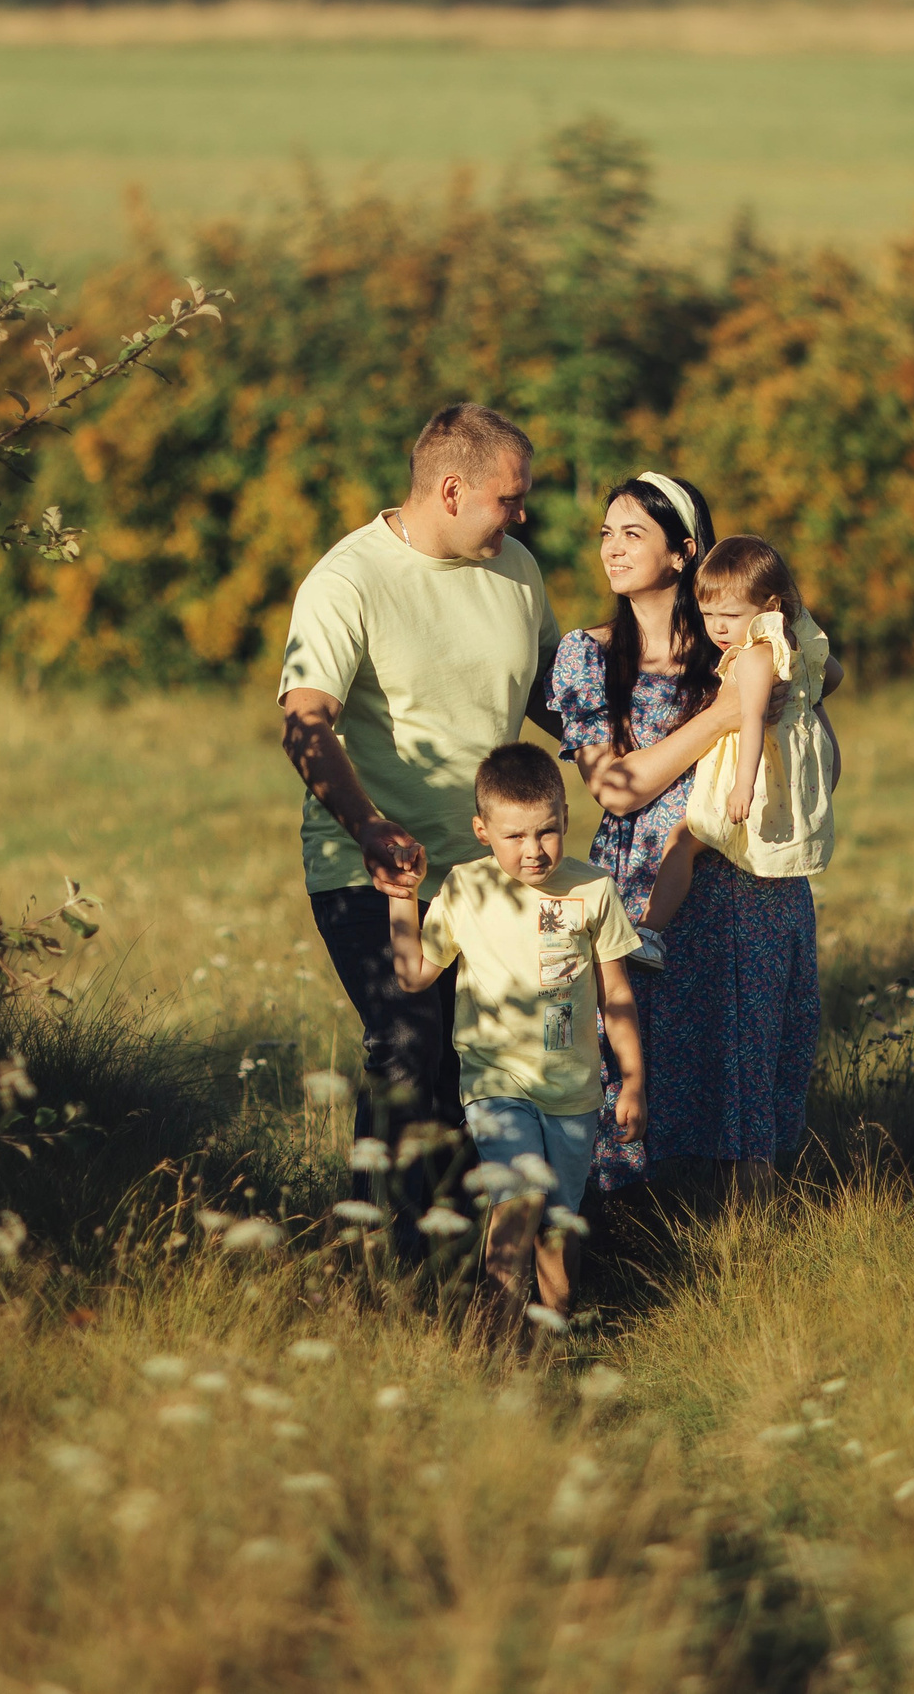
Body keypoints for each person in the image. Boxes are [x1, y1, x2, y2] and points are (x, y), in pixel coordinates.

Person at [277, 404, 561, 1261]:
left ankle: (457, 1255)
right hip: (369, 868)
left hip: (490, 874)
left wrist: (615, 752)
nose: (522, 515)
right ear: (451, 490)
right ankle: (388, 1261)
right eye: (510, 499)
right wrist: (368, 826)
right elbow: (304, 723)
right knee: (407, 1042)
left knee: (477, 1067)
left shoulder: (516, 568)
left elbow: (551, 693)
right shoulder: (348, 579)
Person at [545, 473, 835, 1200]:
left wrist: (778, 684)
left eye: (632, 533)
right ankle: (629, 1232)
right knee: (630, 1061)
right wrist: (726, 715)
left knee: (743, 1060)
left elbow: (818, 728)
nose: (611, 548)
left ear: (683, 552)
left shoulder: (738, 642)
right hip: (644, 887)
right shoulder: (588, 653)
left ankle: (746, 1241)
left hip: (747, 879)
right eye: (606, 533)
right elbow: (617, 788)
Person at [386, 744, 646, 1316]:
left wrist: (631, 1081)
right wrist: (402, 897)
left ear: (566, 819)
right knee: (518, 1200)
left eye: (547, 831)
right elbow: (414, 974)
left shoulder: (593, 890)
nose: (534, 850)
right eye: (514, 836)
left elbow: (616, 994)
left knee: (558, 1224)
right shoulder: (465, 889)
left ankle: (553, 1336)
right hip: (496, 1082)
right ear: (482, 831)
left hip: (574, 1092)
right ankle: (498, 1335)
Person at [637, 536, 838, 946]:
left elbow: (751, 719)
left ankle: (648, 931)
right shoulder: (795, 642)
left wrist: (742, 785)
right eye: (708, 614)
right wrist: (805, 704)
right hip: (793, 766)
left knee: (683, 840)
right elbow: (833, 675)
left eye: (730, 615)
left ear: (770, 607)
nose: (718, 627)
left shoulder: (753, 655)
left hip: (754, 771)